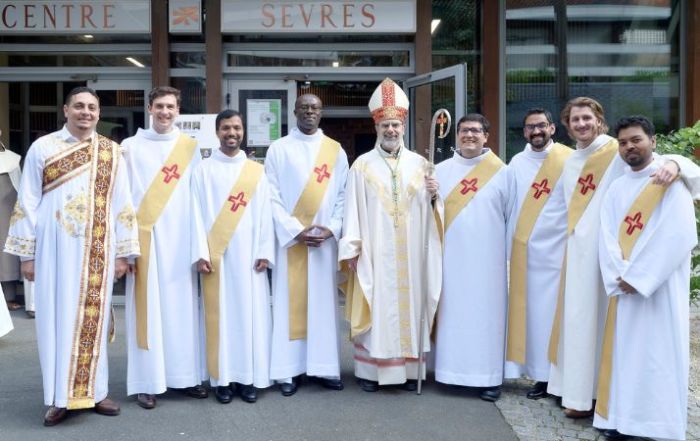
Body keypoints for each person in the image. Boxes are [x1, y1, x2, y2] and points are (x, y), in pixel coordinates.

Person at [546, 97, 700, 418]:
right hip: (582, 254)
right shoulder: (572, 161)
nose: (581, 124)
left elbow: (661, 161)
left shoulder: (614, 151)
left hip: (612, 255)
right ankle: (577, 393)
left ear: (599, 121)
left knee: (609, 325)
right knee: (579, 322)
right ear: (567, 125)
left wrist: (677, 164)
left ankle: (607, 398)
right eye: (575, 120)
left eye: (587, 118)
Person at [4, 86, 139, 425]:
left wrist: (124, 253)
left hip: (98, 251)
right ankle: (58, 397)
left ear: (99, 113)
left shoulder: (112, 151)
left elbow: (123, 203)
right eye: (79, 106)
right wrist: (26, 255)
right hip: (53, 252)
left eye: (92, 107)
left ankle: (96, 393)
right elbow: (28, 202)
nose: (85, 112)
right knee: (55, 322)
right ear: (66, 110)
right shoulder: (43, 147)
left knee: (95, 320)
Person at [594, 116, 696, 440]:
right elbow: (606, 236)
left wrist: (639, 277)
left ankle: (657, 426)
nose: (629, 147)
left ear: (653, 141)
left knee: (658, 358)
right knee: (627, 357)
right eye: (623, 142)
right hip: (625, 290)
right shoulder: (616, 188)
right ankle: (624, 422)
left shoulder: (669, 181)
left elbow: (678, 235)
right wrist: (618, 275)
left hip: (659, 291)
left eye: (636, 140)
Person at [339, 77, 442, 392]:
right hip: (375, 249)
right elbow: (352, 209)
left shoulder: (422, 165)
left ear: (403, 126)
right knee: (378, 303)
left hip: (412, 252)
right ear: (377, 128)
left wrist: (436, 196)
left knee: (411, 303)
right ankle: (372, 373)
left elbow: (432, 211)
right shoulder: (362, 166)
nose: (391, 131)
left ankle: (411, 372)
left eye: (396, 125)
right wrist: (353, 247)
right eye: (385, 126)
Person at [122, 86, 205, 409]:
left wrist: (200, 248)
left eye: (171, 106)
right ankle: (147, 382)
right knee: (147, 314)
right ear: (149, 107)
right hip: (146, 241)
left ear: (178, 110)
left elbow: (197, 199)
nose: (165, 112)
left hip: (181, 241)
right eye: (159, 106)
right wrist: (127, 248)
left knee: (182, 313)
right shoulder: (130, 147)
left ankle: (184, 378)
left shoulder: (190, 148)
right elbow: (123, 199)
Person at [265, 94, 348, 396]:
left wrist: (333, 228)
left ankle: (324, 368)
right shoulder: (278, 149)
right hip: (292, 243)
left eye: (315, 108)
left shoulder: (335, 151)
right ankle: (288, 371)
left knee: (324, 307)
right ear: (295, 111)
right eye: (304, 108)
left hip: (323, 243)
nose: (309, 112)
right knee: (290, 304)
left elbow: (343, 195)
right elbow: (270, 197)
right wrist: (294, 231)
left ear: (321, 113)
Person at [191, 110, 274, 404]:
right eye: (226, 128)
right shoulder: (202, 169)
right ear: (217, 132)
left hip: (250, 254)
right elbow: (196, 215)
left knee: (250, 316)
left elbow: (266, 213)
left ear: (243, 132)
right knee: (221, 317)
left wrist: (265, 250)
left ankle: (247, 379)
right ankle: (222, 379)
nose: (232, 133)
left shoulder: (256, 171)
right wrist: (201, 252)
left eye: (237, 128)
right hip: (218, 257)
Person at [433, 113, 515, 401]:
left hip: (488, 264)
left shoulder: (503, 172)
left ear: (486, 136)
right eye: (464, 130)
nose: (469, 135)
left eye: (476, 131)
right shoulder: (439, 172)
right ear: (456, 135)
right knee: (452, 315)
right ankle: (448, 372)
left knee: (486, 319)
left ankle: (488, 377)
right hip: (451, 261)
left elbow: (512, 218)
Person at [504, 108, 572, 399]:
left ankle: (563, 376)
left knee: (561, 317)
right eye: (531, 127)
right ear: (524, 132)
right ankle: (541, 376)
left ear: (552, 128)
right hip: (526, 256)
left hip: (560, 253)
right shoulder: (516, 163)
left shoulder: (569, 159)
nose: (536, 131)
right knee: (535, 317)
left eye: (541, 126)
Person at [0, 130, 22, 313]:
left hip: (6, 210)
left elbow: (20, 185)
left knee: (6, 254)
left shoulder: (12, 159)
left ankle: (8, 297)